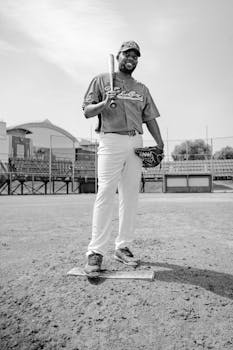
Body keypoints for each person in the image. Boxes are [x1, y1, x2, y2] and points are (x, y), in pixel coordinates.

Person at [82, 40, 164, 275]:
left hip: (135, 142)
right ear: (118, 56)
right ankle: (95, 252)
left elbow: (150, 119)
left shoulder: (141, 88)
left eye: (135, 56)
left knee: (130, 196)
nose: (131, 59)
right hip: (110, 140)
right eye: (127, 54)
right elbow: (87, 111)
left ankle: (123, 246)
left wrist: (159, 143)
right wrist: (103, 103)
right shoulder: (101, 80)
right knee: (106, 192)